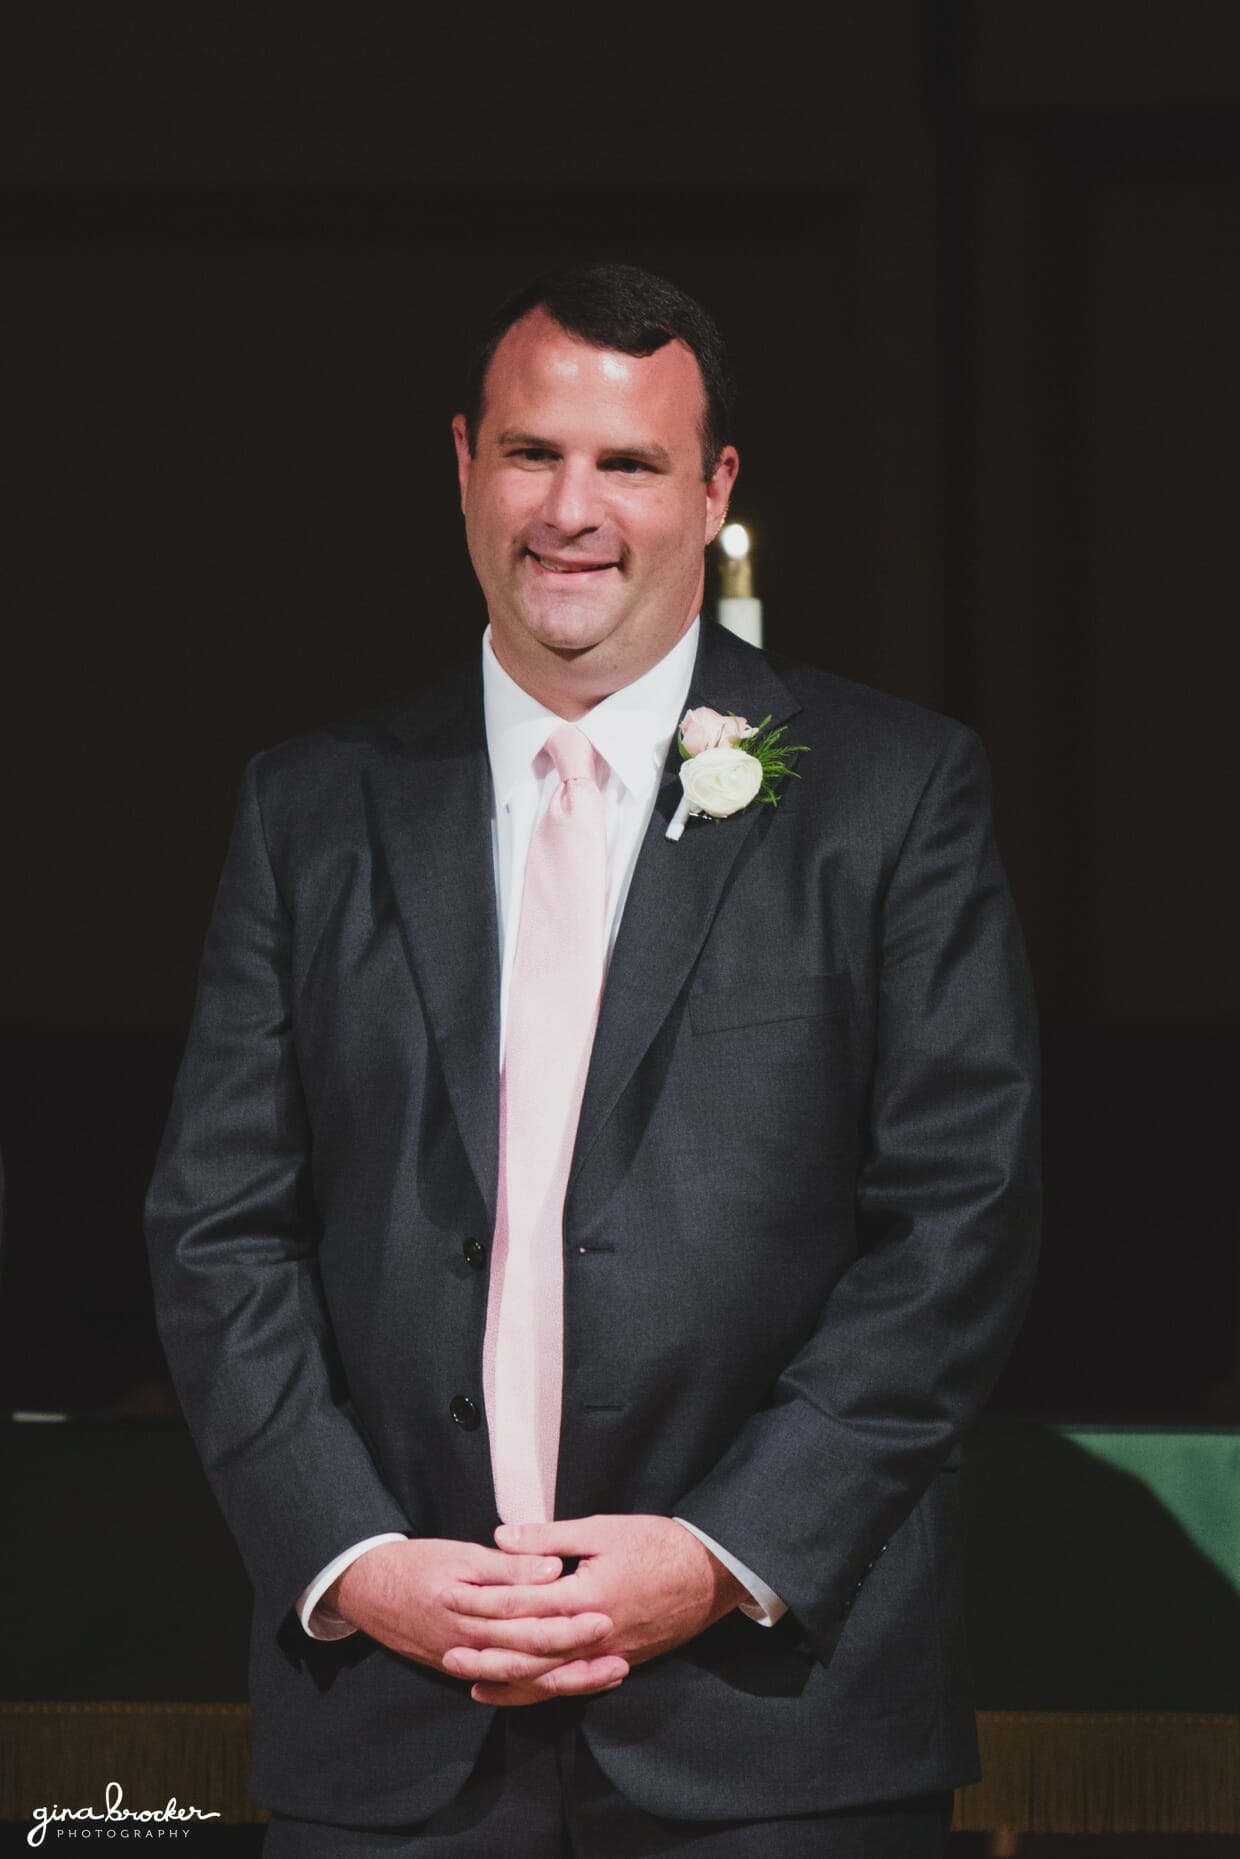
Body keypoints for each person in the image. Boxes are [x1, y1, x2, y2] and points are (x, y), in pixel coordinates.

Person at [146, 262, 1040, 1856]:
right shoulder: (311, 806)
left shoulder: (897, 797)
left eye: (626, 464)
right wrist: (351, 1556)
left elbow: (957, 1227)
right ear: (464, 467)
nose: (572, 508)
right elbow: (219, 1228)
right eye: (530, 453)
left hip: (780, 1731)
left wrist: (722, 1551)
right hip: (397, 1728)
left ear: (713, 492)